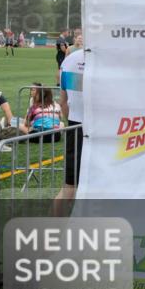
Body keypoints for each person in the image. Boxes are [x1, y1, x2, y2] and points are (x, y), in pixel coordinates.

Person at [54, 43, 86, 213]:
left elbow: (63, 102)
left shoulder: (70, 60)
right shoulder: (110, 60)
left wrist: (71, 122)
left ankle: (54, 226)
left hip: (75, 125)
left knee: (69, 186)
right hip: (102, 128)